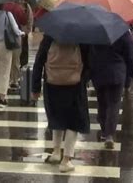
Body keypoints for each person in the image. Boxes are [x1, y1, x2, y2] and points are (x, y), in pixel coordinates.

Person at [32, 35, 90, 173]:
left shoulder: (49, 36)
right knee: (73, 122)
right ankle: (66, 160)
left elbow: (39, 61)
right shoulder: (81, 38)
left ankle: (56, 152)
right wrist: (84, 79)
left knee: (56, 118)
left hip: (52, 84)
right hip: (75, 85)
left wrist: (35, 88)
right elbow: (89, 62)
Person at [89, 31, 133, 149]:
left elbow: (88, 53)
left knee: (102, 102)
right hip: (117, 73)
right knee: (114, 104)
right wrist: (130, 75)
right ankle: (109, 134)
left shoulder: (95, 32)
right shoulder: (122, 32)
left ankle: (104, 129)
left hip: (98, 72)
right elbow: (130, 55)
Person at [3, 1, 27, 89]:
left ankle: (8, 80)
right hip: (16, 37)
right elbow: (24, 21)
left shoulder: (2, 7)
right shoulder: (18, 8)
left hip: (5, 37)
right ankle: (15, 80)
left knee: (7, 60)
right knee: (16, 60)